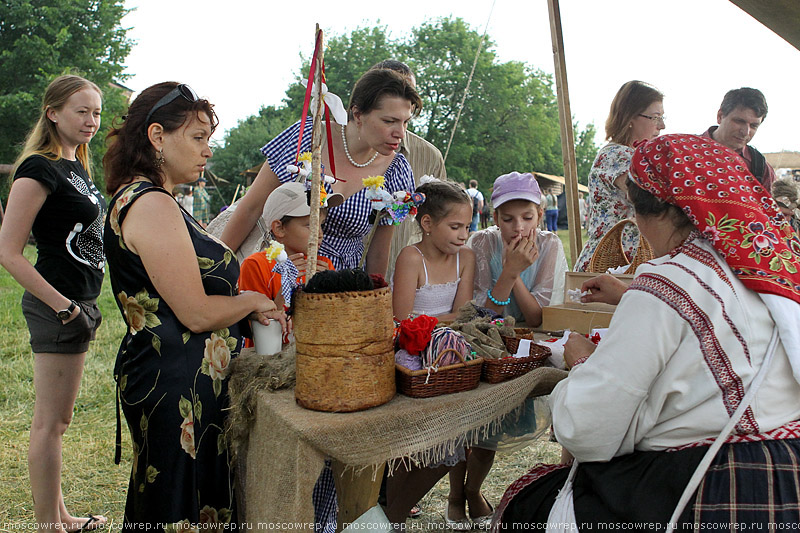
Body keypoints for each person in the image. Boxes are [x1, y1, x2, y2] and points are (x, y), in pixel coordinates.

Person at [495, 134, 800, 528]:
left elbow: (588, 429)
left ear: (646, 213)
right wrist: (634, 293)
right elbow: (720, 322)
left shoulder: (667, 281)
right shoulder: (770, 269)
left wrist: (581, 360)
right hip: (788, 472)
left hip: (713, 484)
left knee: (525, 505)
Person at [103, 82, 285, 528]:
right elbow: (196, 313)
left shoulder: (156, 201)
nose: (207, 151)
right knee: (175, 505)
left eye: (209, 139)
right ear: (158, 136)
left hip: (182, 379)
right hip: (175, 384)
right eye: (198, 138)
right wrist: (252, 300)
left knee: (182, 498)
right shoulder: (151, 205)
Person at [0, 75, 107, 533]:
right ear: (53, 113)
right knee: (49, 424)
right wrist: (63, 306)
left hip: (78, 302)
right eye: (81, 111)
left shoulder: (75, 167)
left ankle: (61, 515)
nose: (91, 121)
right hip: (58, 306)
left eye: (97, 112)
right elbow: (8, 252)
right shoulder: (37, 170)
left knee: (59, 422)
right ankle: (48, 526)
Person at [220, 68, 421, 276]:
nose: (400, 133)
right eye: (389, 121)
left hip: (338, 289)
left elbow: (378, 251)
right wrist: (216, 268)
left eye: (405, 122)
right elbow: (251, 208)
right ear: (358, 114)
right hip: (276, 276)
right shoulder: (309, 137)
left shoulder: (397, 170)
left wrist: (371, 297)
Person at [385, 179, 476, 526]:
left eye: (467, 227)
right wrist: (437, 321)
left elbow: (465, 314)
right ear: (426, 224)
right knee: (407, 448)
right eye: (455, 226)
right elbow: (399, 320)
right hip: (411, 360)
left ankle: (389, 516)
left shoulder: (465, 259)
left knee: (446, 451)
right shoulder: (412, 258)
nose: (463, 235)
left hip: (448, 360)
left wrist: (426, 321)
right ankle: (392, 516)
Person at [573, 80, 665, 272]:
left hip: (626, 263)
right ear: (630, 118)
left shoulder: (628, 156)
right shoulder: (618, 155)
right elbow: (651, 199)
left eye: (662, 118)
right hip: (612, 264)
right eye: (655, 118)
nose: (662, 126)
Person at [238, 181, 343, 345]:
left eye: (321, 225)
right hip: (270, 362)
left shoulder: (323, 265)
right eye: (310, 225)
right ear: (279, 228)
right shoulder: (256, 265)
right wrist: (284, 291)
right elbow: (258, 329)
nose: (320, 233)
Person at [468, 172, 568, 326]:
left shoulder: (549, 244)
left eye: (527, 218)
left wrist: (513, 271)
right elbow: (485, 317)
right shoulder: (482, 242)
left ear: (539, 216)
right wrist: (509, 271)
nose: (518, 228)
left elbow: (536, 319)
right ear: (496, 219)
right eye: (508, 219)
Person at [701, 87, 776, 190]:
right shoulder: (684, 152)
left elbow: (769, 204)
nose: (746, 132)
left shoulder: (760, 168)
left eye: (753, 126)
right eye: (739, 121)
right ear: (720, 116)